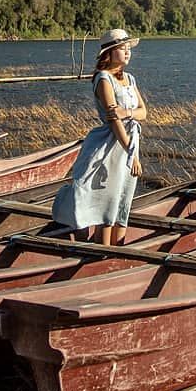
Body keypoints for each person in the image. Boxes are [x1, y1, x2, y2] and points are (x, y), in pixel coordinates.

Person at [52, 28, 147, 245]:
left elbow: (143, 111)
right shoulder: (104, 79)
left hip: (130, 141)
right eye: (122, 49)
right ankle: (102, 250)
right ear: (109, 53)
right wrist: (131, 154)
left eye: (128, 49)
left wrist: (127, 113)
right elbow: (113, 121)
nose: (127, 53)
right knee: (110, 195)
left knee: (124, 194)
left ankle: (118, 247)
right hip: (113, 144)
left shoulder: (130, 79)